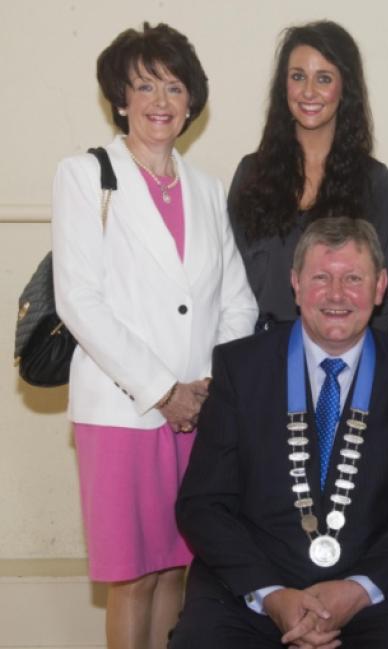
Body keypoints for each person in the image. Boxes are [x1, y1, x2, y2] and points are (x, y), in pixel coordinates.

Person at [50, 22, 257, 649]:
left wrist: (207, 388)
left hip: (198, 411)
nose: (160, 101)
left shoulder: (206, 187)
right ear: (119, 98)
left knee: (181, 566)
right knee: (133, 578)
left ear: (191, 99)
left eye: (173, 86)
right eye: (144, 86)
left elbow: (237, 302)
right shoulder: (86, 176)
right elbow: (79, 302)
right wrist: (162, 389)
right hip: (124, 410)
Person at [170, 217, 388, 648]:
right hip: (254, 592)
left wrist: (358, 588)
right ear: (295, 284)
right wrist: (272, 595)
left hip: (373, 595)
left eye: (353, 278)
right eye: (321, 277)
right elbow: (203, 504)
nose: (337, 294)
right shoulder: (239, 368)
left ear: (380, 287)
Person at [229, 20, 388, 333]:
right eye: (297, 77)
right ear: (284, 86)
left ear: (345, 88)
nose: (308, 92)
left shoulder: (373, 182)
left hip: (341, 359)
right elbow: (227, 288)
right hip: (257, 357)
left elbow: (384, 299)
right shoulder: (250, 174)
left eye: (323, 78)